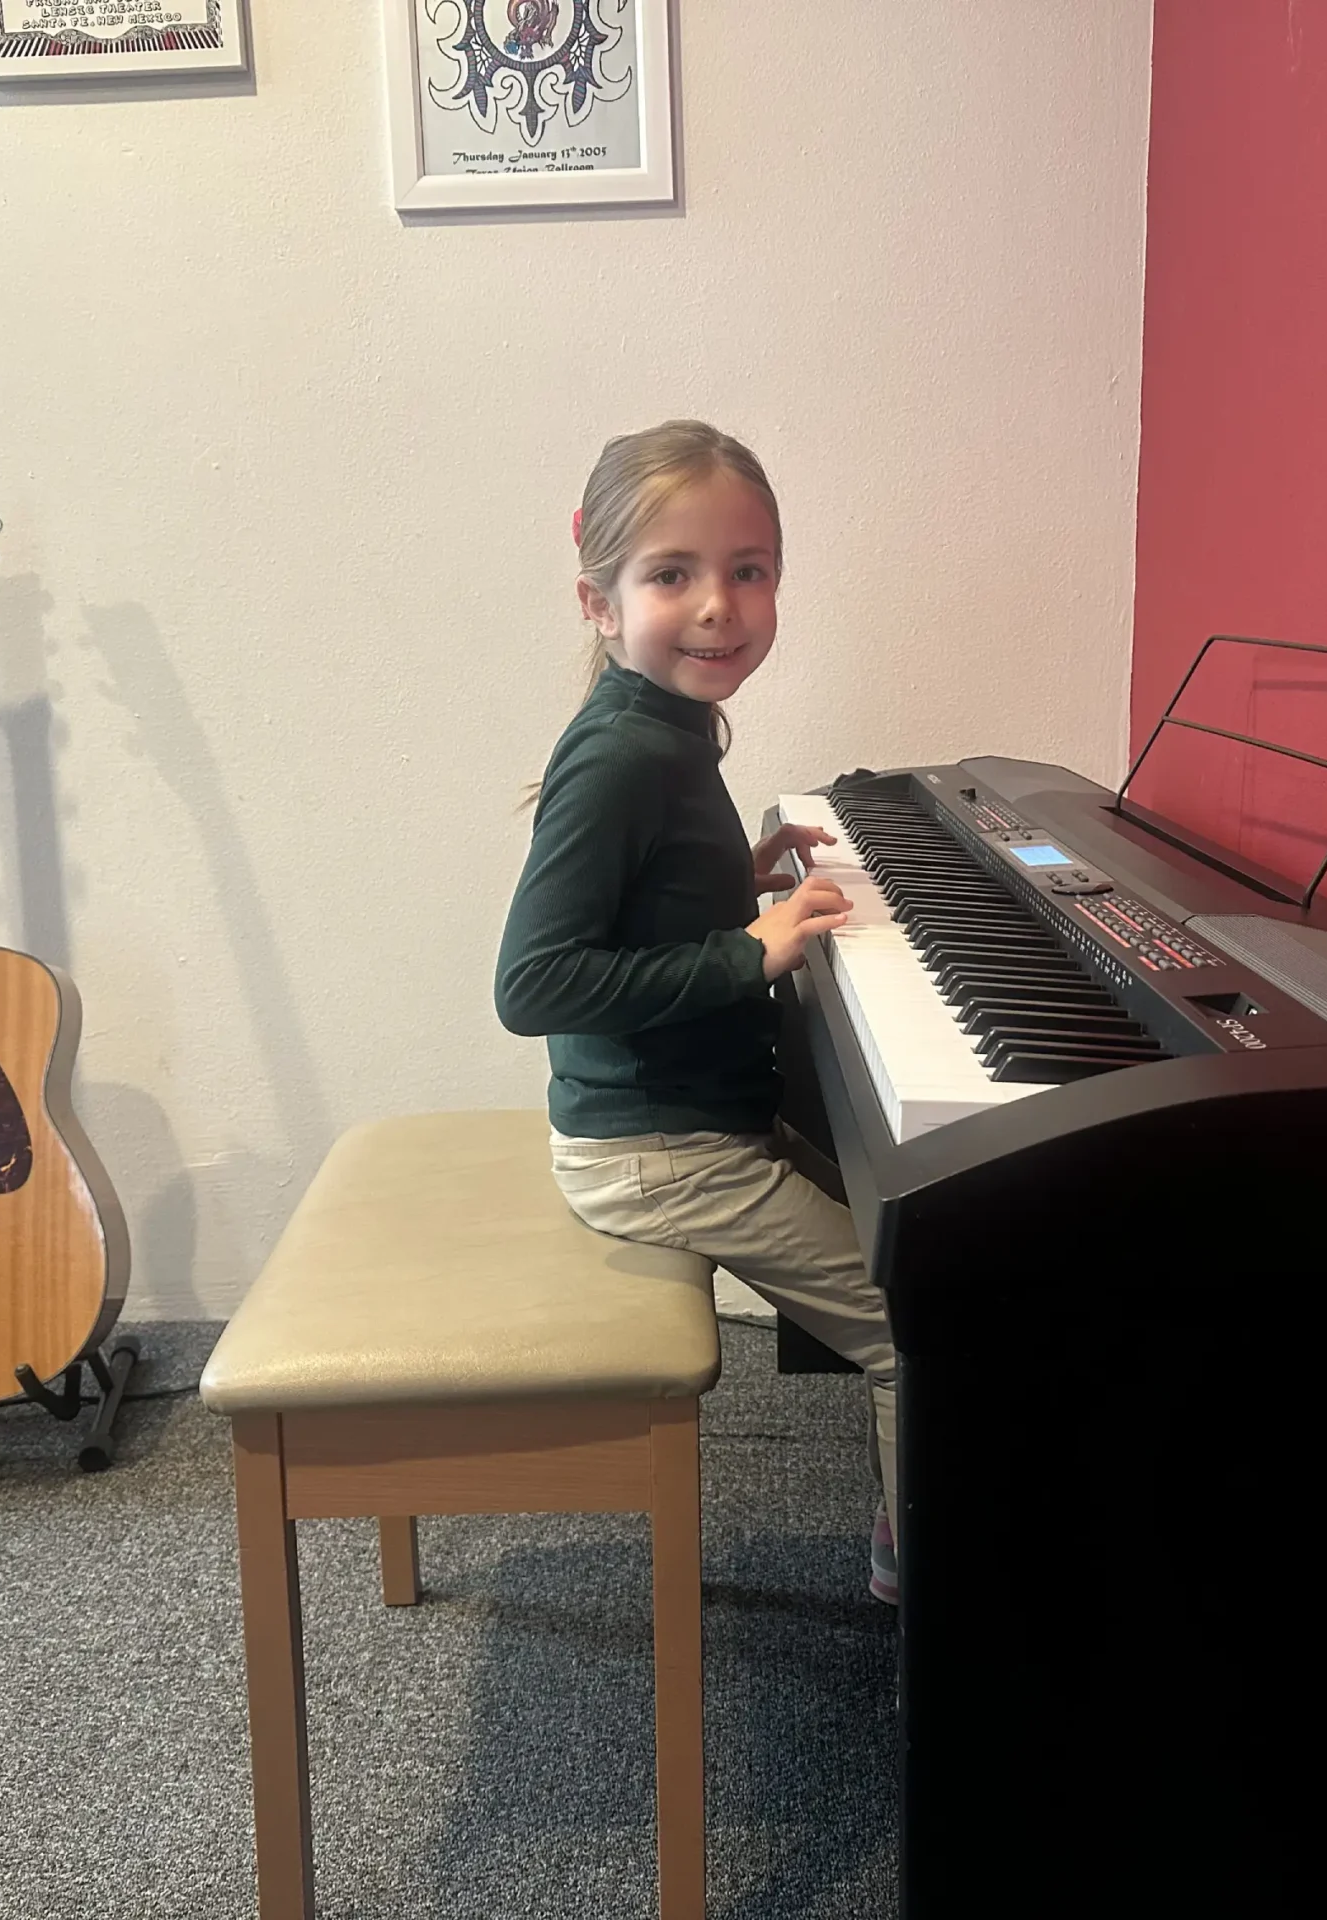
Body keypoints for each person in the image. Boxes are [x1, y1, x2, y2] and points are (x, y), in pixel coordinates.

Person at [493, 419, 904, 1604]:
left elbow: (642, 909)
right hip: (653, 1151)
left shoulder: (668, 730)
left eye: (749, 569)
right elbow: (536, 984)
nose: (719, 604)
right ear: (600, 601)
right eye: (672, 574)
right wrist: (745, 951)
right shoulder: (624, 756)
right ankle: (919, 1576)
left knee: (912, 1214)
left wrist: (746, 871)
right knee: (914, 1327)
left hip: (685, 1120)